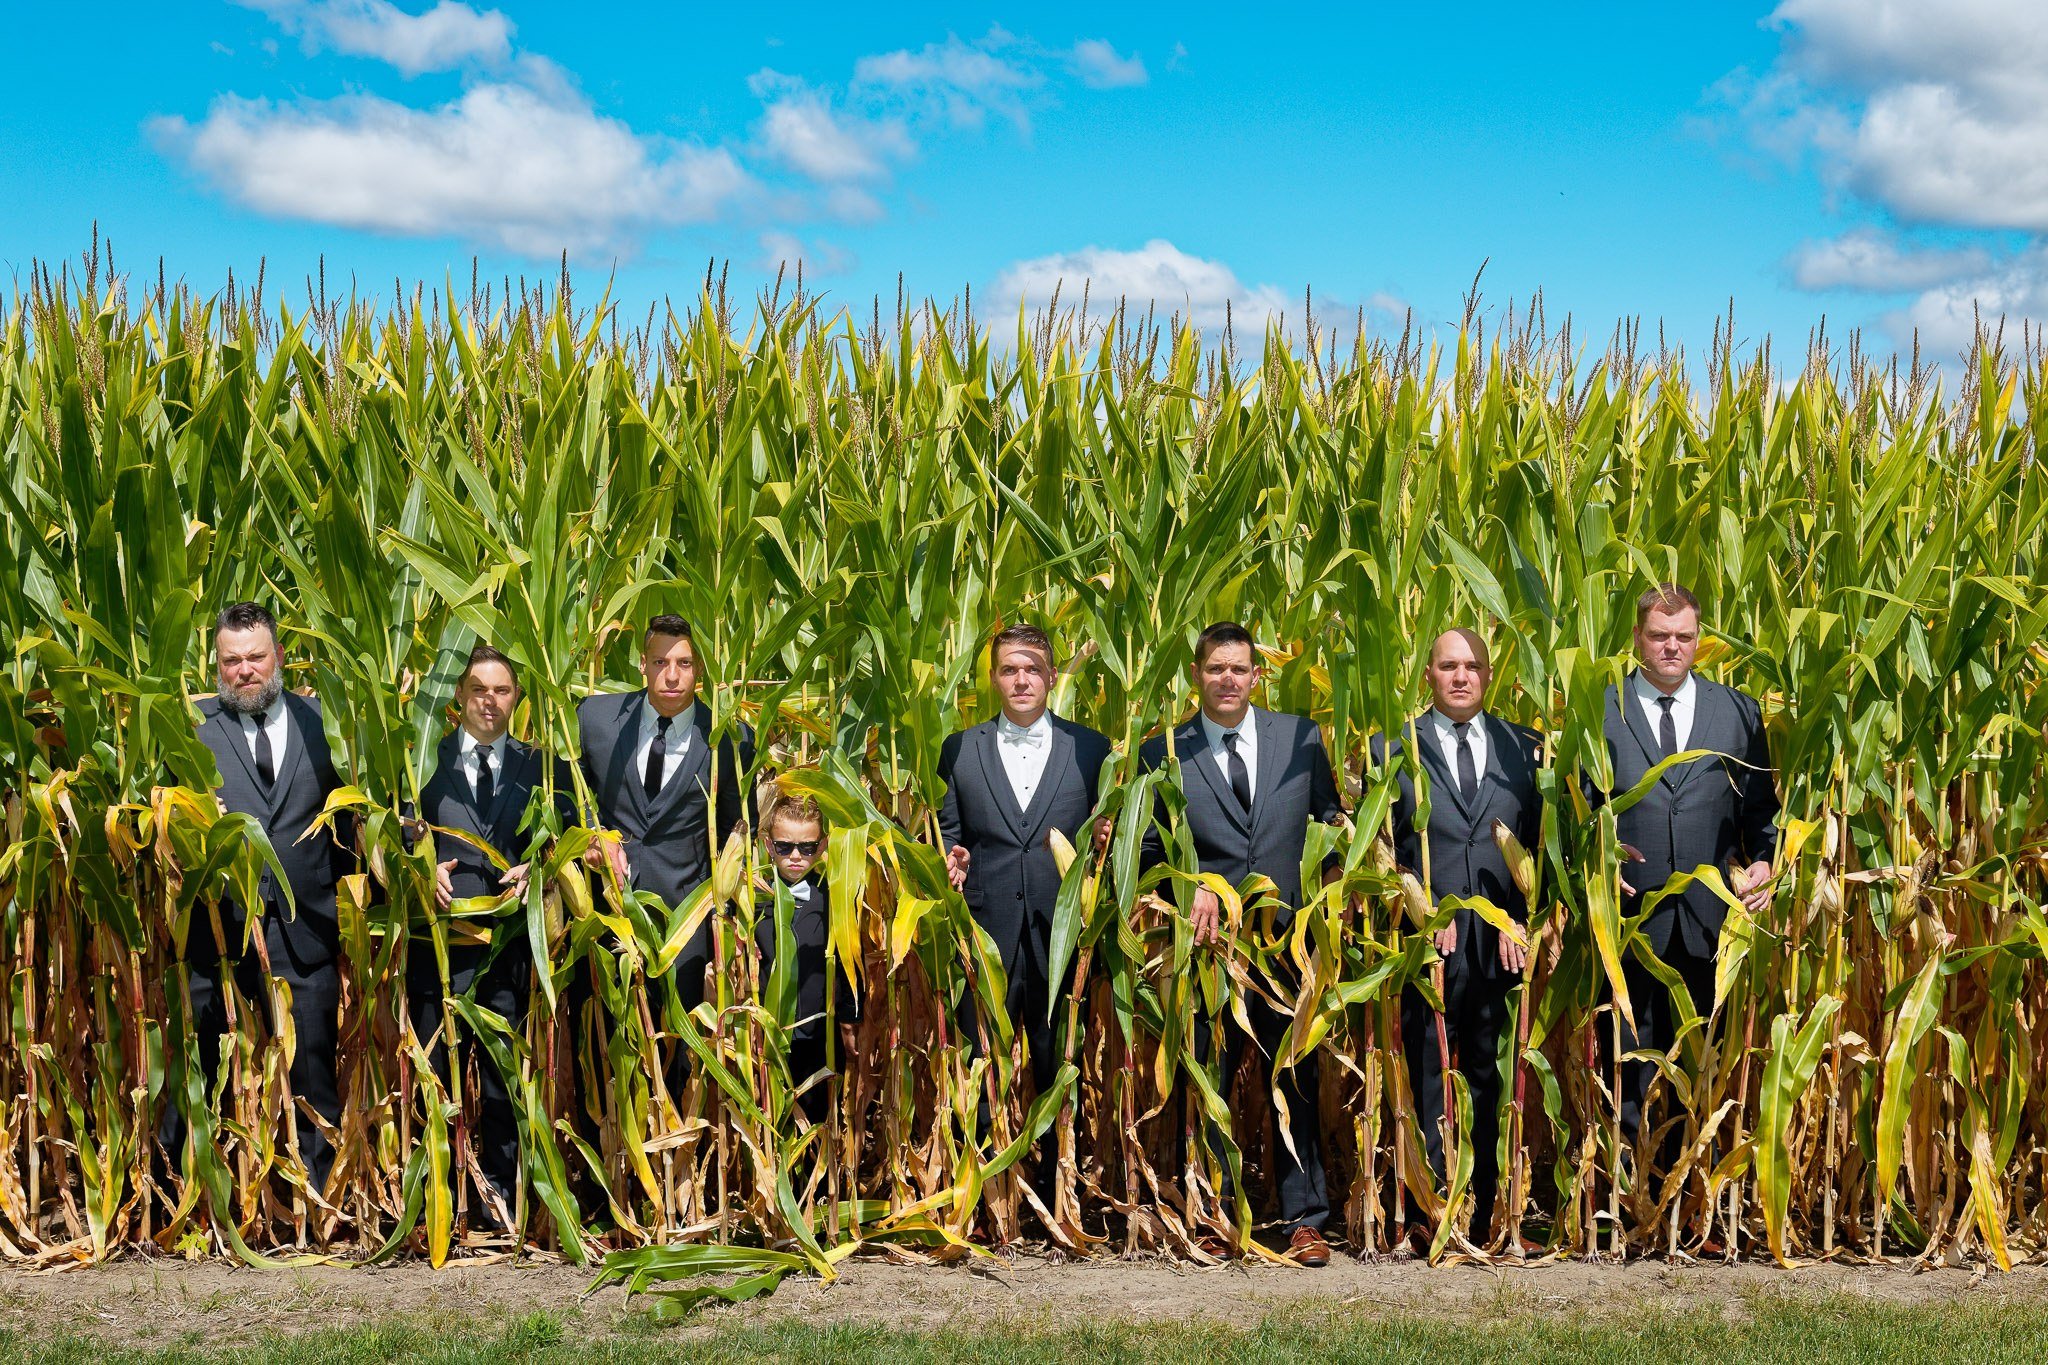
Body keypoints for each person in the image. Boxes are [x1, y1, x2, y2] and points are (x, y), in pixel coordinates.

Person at [1139, 621, 1346, 1266]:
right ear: (1196, 675)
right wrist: (1187, 884)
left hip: (1290, 941)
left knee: (1298, 1074)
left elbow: (1333, 827)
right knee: (1211, 1073)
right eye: (1215, 668)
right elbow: (1145, 854)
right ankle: (1211, 1209)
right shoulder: (1163, 753)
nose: (1228, 679)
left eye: (1240, 669)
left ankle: (1303, 1218)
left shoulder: (1300, 740)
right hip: (1207, 945)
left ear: (1257, 676)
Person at [1372, 629, 1542, 1237]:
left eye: (1472, 666)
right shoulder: (1392, 750)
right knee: (1427, 1067)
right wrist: (1420, 913)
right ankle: (1433, 1203)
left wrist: (1523, 918)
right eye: (1449, 666)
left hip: (1504, 943)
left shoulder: (1528, 749)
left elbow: (1544, 849)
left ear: (1489, 676)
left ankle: (1495, 1206)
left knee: (1495, 1071)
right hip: (1429, 941)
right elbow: (1381, 849)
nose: (1461, 676)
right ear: (1429, 676)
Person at [179, 601, 351, 1193]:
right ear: (217, 664)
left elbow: (355, 818)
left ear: (278, 656)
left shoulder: (322, 722)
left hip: (306, 929)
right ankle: (199, 1203)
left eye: (256, 657)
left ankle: (320, 1204)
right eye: (232, 661)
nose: (245, 670)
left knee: (313, 1071)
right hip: (221, 932)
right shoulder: (192, 732)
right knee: (208, 1071)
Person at [1599, 583, 1779, 1147]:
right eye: (1659, 636)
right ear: (1636, 638)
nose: (1672, 647)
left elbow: (1761, 812)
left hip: (1712, 920)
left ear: (1699, 639)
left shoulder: (1739, 712)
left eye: (1684, 636)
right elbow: (1577, 808)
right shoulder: (1602, 711)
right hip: (1629, 917)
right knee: (1627, 1059)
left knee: (1706, 1057)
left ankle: (1693, 1197)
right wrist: (1599, 864)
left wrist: (1768, 862)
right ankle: (1627, 1199)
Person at [936, 624, 1112, 1197]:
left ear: (1052, 677)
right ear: (993, 678)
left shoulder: (1090, 748)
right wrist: (951, 863)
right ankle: (989, 1192)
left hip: (1062, 931)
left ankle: (1063, 1187)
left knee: (1062, 1057)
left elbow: (1106, 835)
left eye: (1032, 668)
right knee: (979, 1058)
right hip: (987, 932)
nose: (1021, 679)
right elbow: (949, 833)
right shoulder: (959, 748)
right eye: (1009, 669)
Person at [405, 644, 572, 1224]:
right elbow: (388, 835)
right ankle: (437, 1201)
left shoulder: (541, 768)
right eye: (479, 689)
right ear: (458, 697)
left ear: (517, 699)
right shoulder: (422, 762)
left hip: (511, 951)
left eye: (502, 691)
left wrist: (543, 866)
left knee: (505, 1081)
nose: (490, 702)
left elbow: (568, 837)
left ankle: (502, 1197)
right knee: (436, 1080)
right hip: (440, 952)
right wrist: (418, 869)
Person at [576, 615, 755, 1012]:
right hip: (610, 916)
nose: (672, 676)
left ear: (700, 669)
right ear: (642, 663)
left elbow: (737, 833)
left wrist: (730, 928)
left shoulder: (731, 739)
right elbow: (567, 793)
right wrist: (594, 835)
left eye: (684, 664)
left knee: (679, 1054)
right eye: (660, 663)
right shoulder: (594, 719)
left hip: (687, 927)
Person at [752, 793, 857, 1126]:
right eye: (785, 847)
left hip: (820, 1036)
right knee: (773, 1125)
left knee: (820, 1124)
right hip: (768, 1038)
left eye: (807, 847)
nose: (795, 856)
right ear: (769, 845)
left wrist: (850, 1017)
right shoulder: (754, 900)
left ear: (823, 846)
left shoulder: (833, 898)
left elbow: (849, 962)